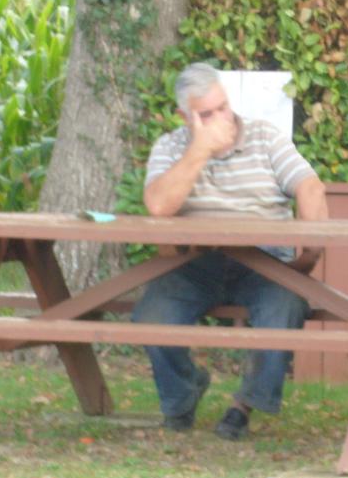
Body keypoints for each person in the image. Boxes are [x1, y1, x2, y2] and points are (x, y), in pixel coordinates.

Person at [132, 62, 328, 440]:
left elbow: (310, 187)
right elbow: (158, 206)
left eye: (223, 107)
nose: (222, 118)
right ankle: (182, 395)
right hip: (196, 261)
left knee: (283, 308)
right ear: (184, 117)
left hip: (264, 259)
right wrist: (200, 149)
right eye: (207, 114)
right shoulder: (170, 147)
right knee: (152, 315)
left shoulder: (264, 137)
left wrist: (311, 249)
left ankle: (244, 405)